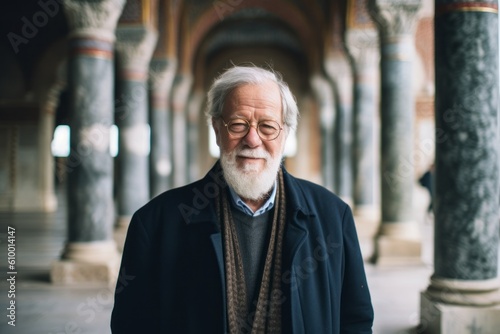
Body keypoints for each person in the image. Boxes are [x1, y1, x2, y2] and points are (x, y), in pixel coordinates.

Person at [110, 65, 373, 333]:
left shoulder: (332, 217)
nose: (252, 139)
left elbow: (355, 320)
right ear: (216, 128)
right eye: (238, 124)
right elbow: (131, 324)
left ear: (285, 133)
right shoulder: (156, 223)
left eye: (267, 126)